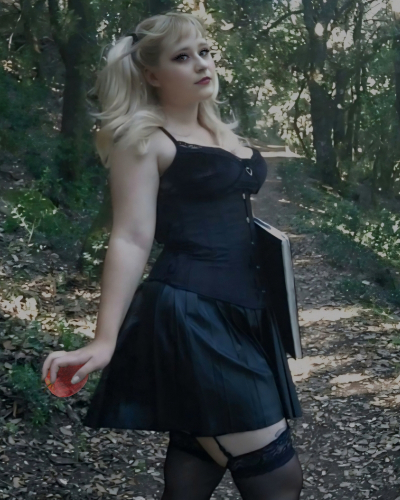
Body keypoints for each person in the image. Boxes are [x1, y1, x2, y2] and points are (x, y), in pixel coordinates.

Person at [41, 11, 304, 499]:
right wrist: (104, 339)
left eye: (204, 51)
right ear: (152, 75)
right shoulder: (146, 139)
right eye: (182, 57)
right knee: (278, 478)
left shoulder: (223, 133)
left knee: (196, 463)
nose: (202, 63)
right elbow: (131, 237)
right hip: (192, 315)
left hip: (247, 316)